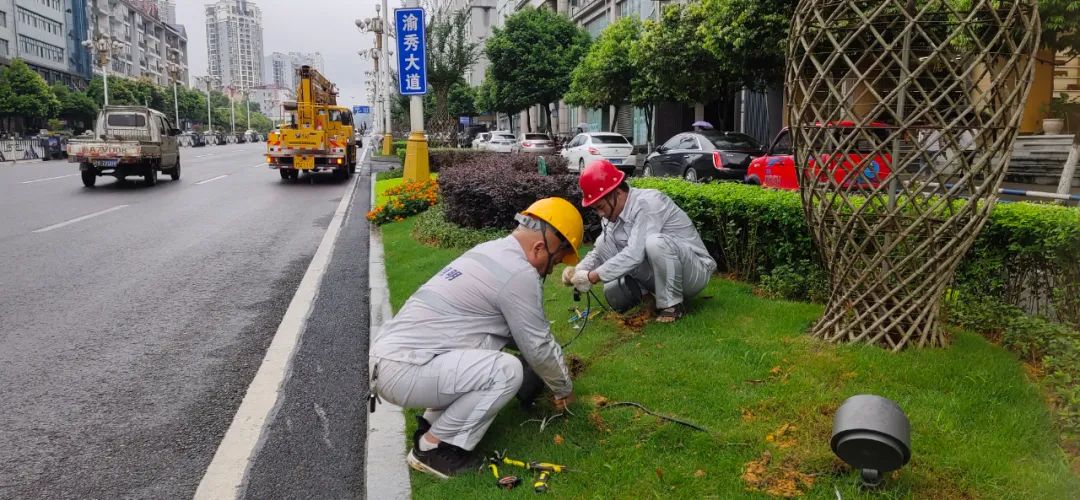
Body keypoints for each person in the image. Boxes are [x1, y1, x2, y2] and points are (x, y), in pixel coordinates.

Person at [369, 197, 583, 479]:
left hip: (391, 361)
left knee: (482, 356)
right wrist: (563, 389)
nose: (552, 269)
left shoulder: (491, 250)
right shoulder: (519, 273)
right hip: (404, 371)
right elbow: (537, 345)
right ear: (539, 247)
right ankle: (433, 449)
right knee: (505, 371)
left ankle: (431, 424)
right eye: (554, 260)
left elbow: (517, 334)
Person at [563, 160, 716, 322]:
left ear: (618, 193)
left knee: (654, 243)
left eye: (601, 206)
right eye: (596, 209)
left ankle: (672, 306)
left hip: (695, 271)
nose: (600, 214)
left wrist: (592, 277)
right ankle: (647, 299)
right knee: (604, 242)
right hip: (667, 271)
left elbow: (634, 254)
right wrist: (578, 271)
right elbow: (600, 250)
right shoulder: (613, 214)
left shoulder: (648, 203)